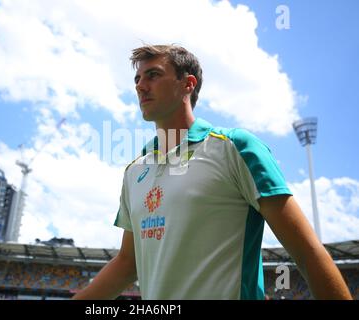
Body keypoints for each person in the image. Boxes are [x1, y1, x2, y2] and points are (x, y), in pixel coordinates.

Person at [73, 44, 352, 300]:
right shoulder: (135, 171)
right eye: (137, 79)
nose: (141, 87)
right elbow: (127, 263)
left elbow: (306, 252)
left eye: (153, 75)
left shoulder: (235, 147)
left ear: (187, 84)